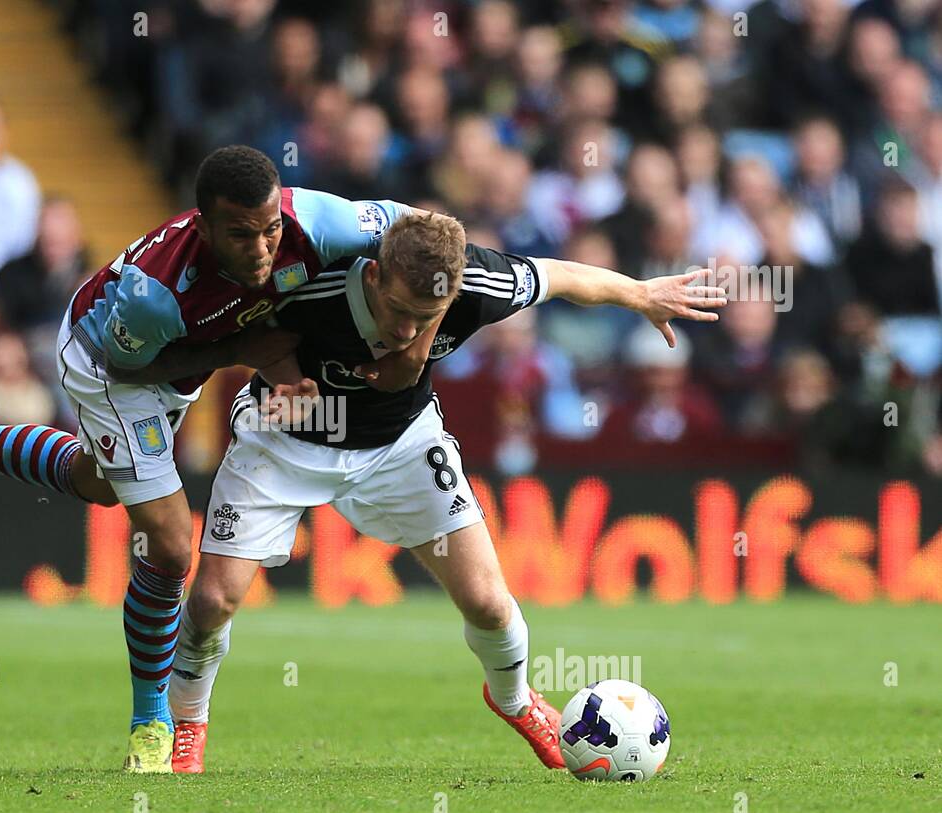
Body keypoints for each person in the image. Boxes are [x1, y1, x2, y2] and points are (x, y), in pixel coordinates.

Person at [0, 145, 431, 772]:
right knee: (169, 546)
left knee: (96, 480)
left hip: (183, 352)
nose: (263, 249)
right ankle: (151, 719)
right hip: (112, 362)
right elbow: (131, 365)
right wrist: (245, 349)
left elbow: (423, 239)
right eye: (242, 235)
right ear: (204, 226)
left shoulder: (322, 222)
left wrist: (426, 327)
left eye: (271, 228)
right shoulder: (155, 294)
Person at [147, 211, 723, 772]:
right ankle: (189, 725)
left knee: (491, 606)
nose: (404, 329)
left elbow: (565, 276)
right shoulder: (311, 277)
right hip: (282, 441)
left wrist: (641, 295)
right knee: (211, 602)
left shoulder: (479, 284)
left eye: (425, 316)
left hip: (402, 443)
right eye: (396, 310)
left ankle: (515, 700)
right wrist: (284, 378)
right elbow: (229, 334)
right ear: (373, 275)